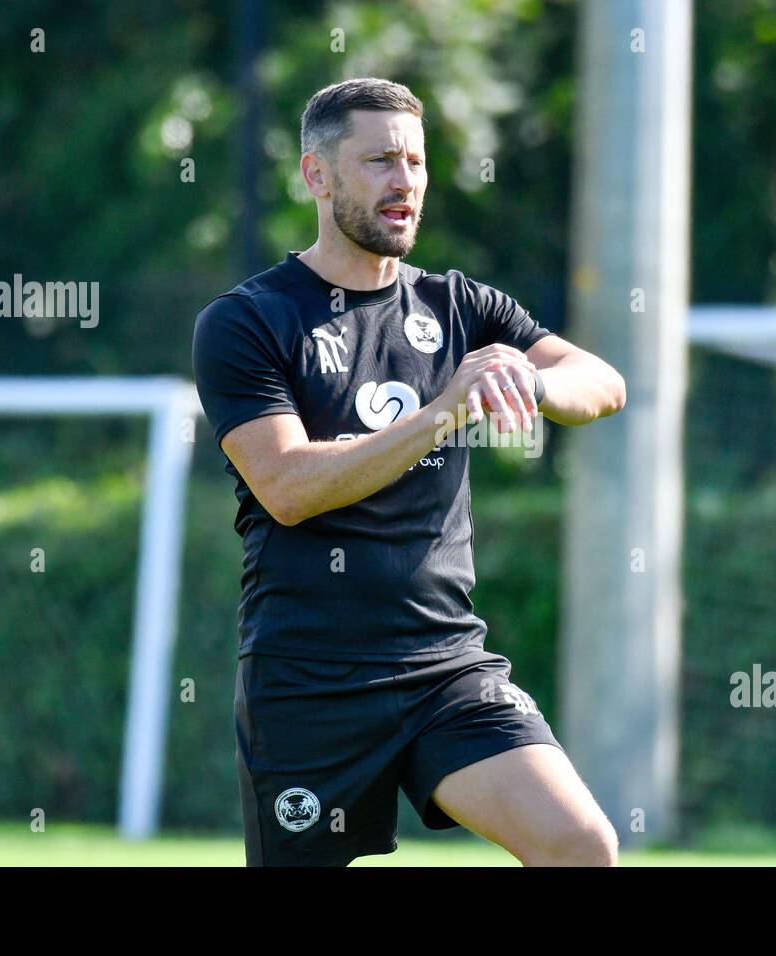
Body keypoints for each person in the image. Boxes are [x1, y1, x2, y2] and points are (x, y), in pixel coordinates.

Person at [192, 77, 626, 866]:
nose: (405, 183)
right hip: (308, 682)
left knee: (581, 845)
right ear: (316, 176)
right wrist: (444, 411)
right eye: (380, 161)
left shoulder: (462, 307)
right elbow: (287, 488)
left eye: (417, 163)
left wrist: (530, 382)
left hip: (445, 669)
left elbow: (603, 383)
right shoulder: (247, 321)